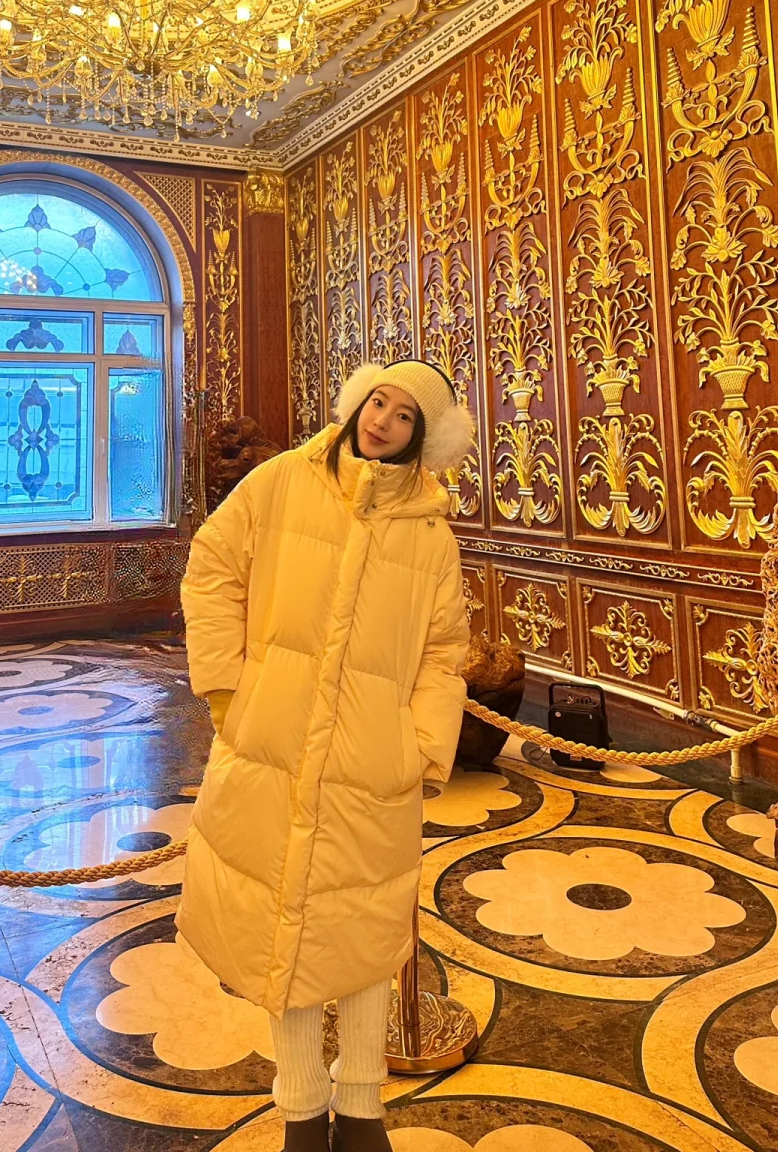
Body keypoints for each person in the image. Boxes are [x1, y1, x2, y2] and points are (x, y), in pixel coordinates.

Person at [176, 360, 474, 1152]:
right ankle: (303, 1109)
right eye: (379, 401)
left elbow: (443, 652)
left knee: (367, 934)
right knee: (286, 929)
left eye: (405, 416)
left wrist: (419, 747)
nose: (383, 421)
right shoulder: (281, 482)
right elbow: (212, 568)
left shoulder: (431, 536)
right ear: (357, 401)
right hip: (272, 743)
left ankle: (364, 1106)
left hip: (374, 762)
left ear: (422, 439)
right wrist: (229, 690)